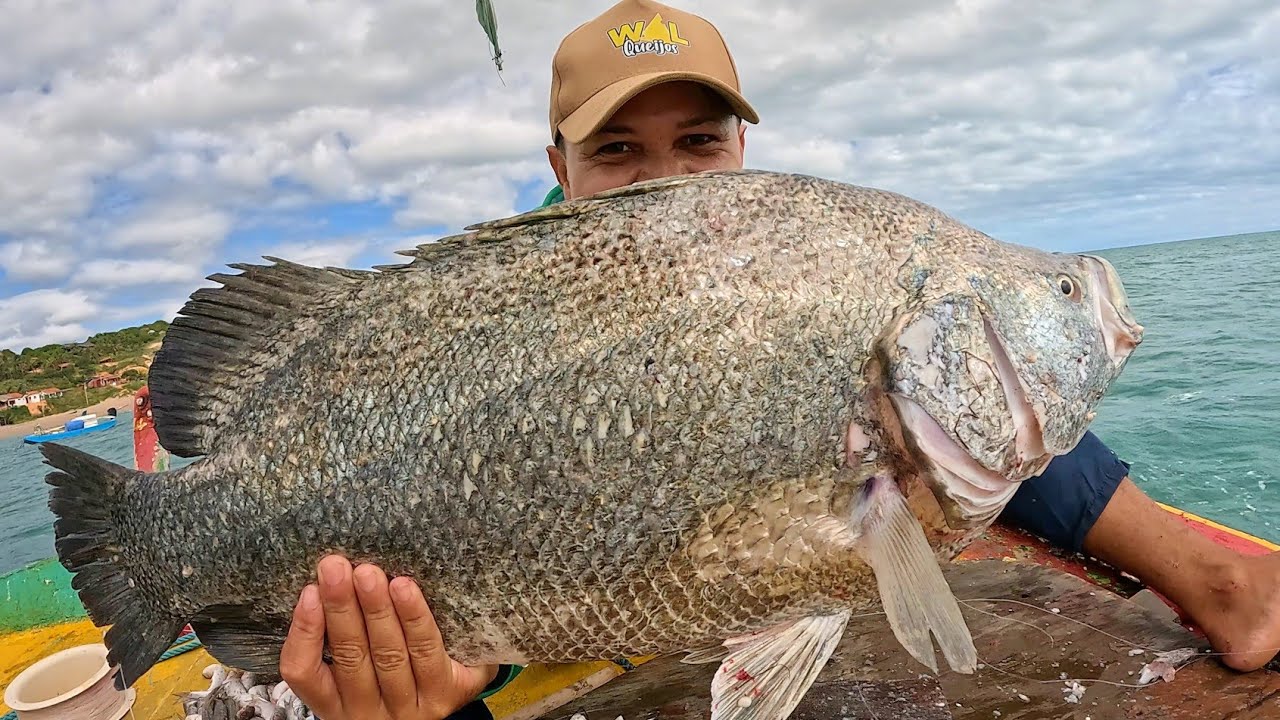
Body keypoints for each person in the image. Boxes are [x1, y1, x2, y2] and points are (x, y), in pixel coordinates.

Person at [277, 2, 1280, 718]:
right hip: (544, 626)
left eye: (697, 142)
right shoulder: (482, 315)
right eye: (616, 151)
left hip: (781, 545)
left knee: (938, 422)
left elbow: (940, 433)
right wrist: (442, 691)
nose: (664, 181)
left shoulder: (799, 269)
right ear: (557, 168)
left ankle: (1215, 579)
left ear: (741, 152)